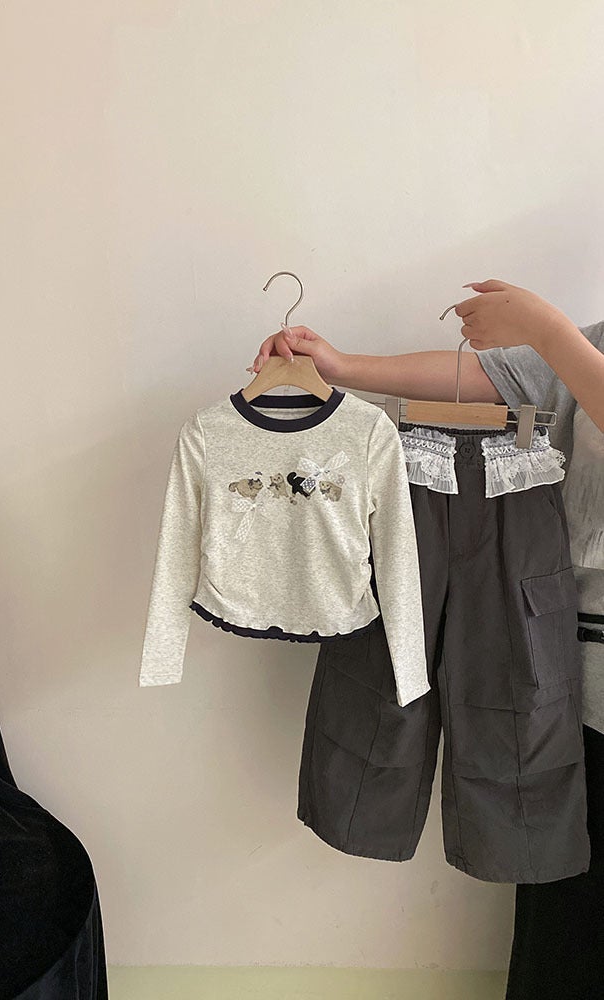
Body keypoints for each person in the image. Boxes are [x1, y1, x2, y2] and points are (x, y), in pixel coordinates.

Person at [252, 279, 604, 1000]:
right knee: (566, 915)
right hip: (581, 672)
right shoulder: (590, 345)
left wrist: (546, 328)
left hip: (551, 616)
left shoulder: (572, 344)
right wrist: (343, 365)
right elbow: (490, 378)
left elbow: (543, 362)